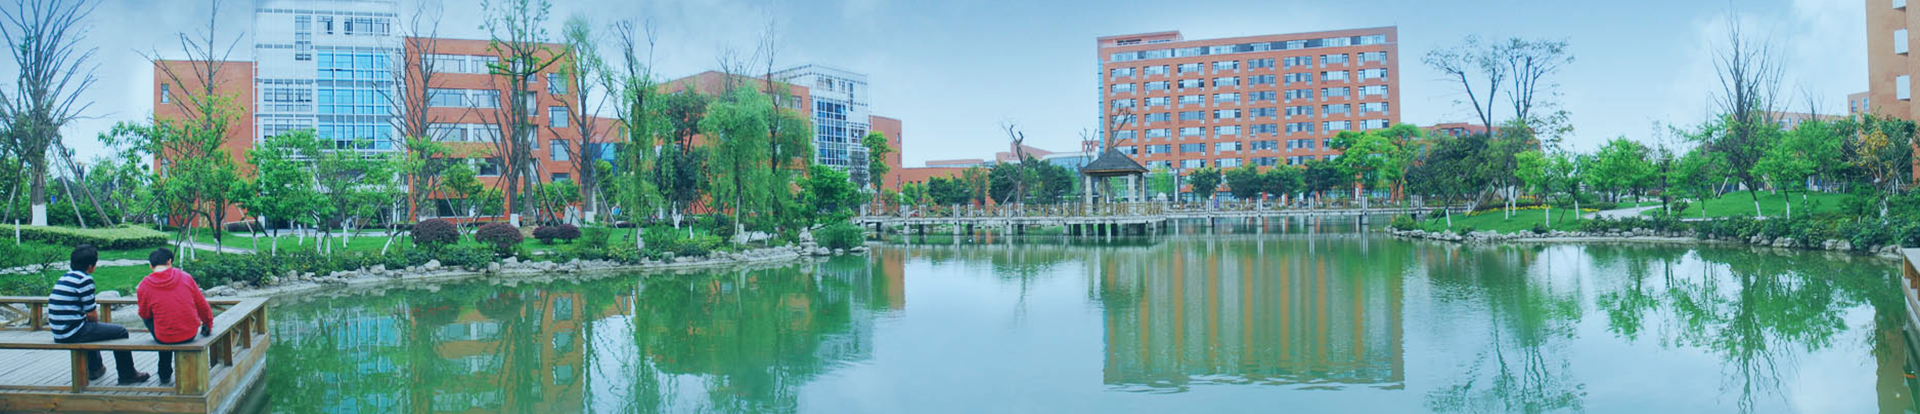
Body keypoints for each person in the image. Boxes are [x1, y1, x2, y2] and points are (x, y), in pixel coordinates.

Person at [49, 244, 150, 384]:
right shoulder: (84, 280)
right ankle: (127, 374)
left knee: (91, 328)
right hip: (72, 332)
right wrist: (96, 325)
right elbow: (91, 314)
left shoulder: (65, 277)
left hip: (59, 332)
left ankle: (95, 368)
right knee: (119, 331)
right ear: (91, 266)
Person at [135, 248, 212, 385]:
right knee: (170, 319)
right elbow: (202, 305)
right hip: (189, 333)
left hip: (163, 337)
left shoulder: (144, 285)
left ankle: (164, 373)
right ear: (169, 261)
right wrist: (208, 323)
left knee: (158, 321)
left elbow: (144, 314)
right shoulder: (186, 277)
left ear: (151, 266)